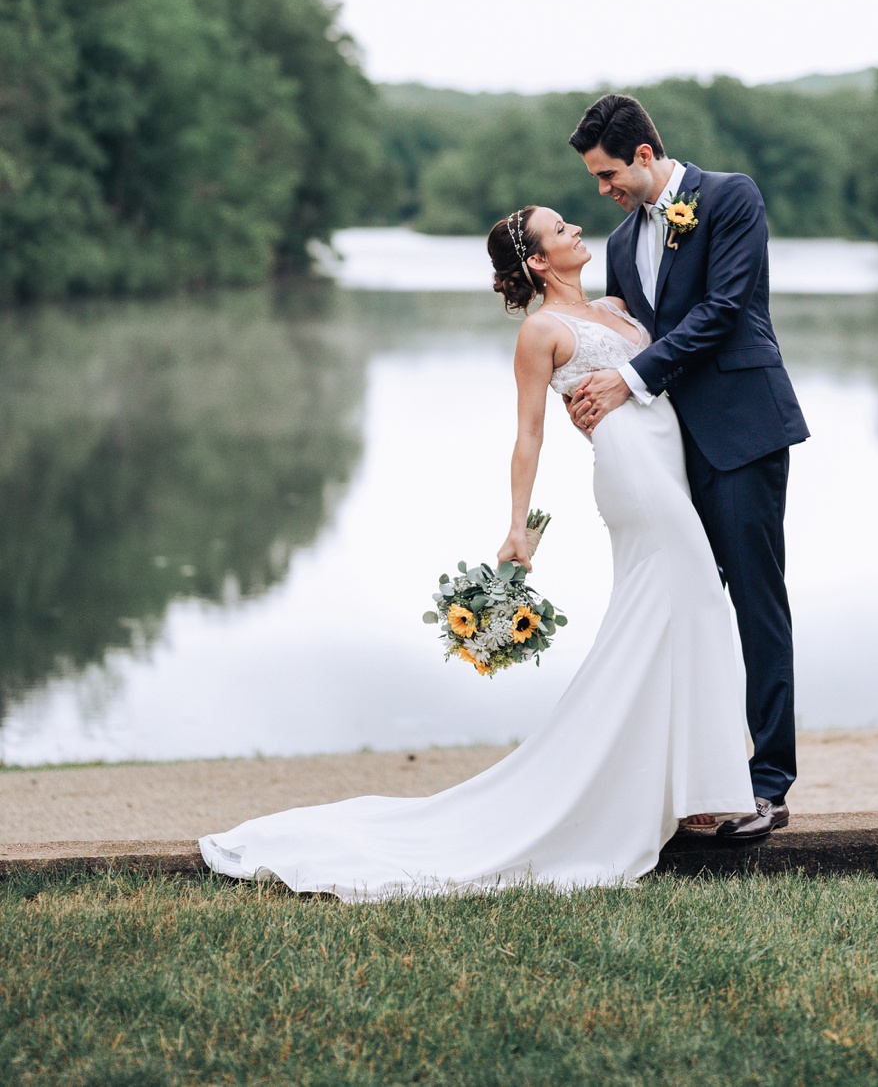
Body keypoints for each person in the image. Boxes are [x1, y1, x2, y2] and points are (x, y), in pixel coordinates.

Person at [199, 197, 756, 900]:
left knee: (680, 611)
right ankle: (689, 788)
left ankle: (687, 787)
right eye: (561, 229)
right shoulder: (541, 332)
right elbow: (529, 434)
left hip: (669, 461)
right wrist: (517, 526)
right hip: (633, 474)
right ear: (538, 260)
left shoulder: (619, 305)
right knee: (694, 599)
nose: (577, 229)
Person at [566, 94, 809, 841]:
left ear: (643, 155)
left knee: (755, 602)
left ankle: (767, 784)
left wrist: (627, 380)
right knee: (682, 606)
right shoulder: (618, 243)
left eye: (607, 173)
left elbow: (724, 309)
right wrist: (588, 381)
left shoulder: (731, 197)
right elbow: (636, 334)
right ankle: (690, 781)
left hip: (741, 430)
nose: (602, 189)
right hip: (667, 449)